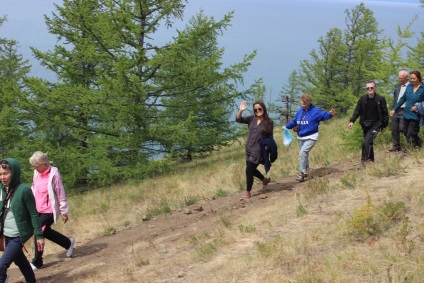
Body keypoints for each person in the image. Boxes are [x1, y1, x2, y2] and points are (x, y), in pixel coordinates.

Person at [0, 158, 44, 283]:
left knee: (1, 266)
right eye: (0, 174)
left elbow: (34, 214)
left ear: (14, 173)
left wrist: (39, 235)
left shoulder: (24, 190)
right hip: (6, 235)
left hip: (17, 235)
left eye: (6, 173)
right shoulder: (2, 189)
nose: (3, 177)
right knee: (21, 261)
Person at [29, 151, 75, 270]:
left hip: (49, 210)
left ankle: (37, 262)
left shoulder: (54, 175)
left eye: (36, 166)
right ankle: (68, 243)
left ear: (43, 164)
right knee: (45, 231)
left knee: (38, 232)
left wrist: (64, 211)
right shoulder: (36, 173)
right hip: (37, 209)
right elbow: (33, 188)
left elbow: (61, 193)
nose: (34, 168)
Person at [284, 94, 336, 182]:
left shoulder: (315, 111)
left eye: (304, 103)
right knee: (304, 155)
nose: (302, 104)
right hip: (301, 137)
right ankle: (307, 171)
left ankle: (302, 173)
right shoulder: (300, 111)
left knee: (302, 153)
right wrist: (286, 126)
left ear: (309, 102)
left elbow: (323, 115)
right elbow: (294, 121)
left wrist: (330, 114)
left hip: (311, 137)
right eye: (301, 102)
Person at [236, 101, 273, 199]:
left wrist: (267, 148)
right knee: (251, 169)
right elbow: (238, 119)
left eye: (259, 109)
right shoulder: (252, 119)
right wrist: (241, 110)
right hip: (249, 148)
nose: (258, 111)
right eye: (256, 109)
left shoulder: (268, 122)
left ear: (263, 109)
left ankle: (247, 192)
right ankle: (264, 179)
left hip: (259, 150)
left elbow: (270, 137)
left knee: (248, 170)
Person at [349, 81, 389, 169]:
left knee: (366, 142)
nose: (369, 90)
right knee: (368, 142)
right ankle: (371, 161)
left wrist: (384, 125)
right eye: (367, 88)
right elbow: (357, 111)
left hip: (376, 124)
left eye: (371, 88)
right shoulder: (363, 99)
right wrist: (352, 121)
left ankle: (364, 162)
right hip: (365, 124)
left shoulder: (380, 99)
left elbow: (385, 113)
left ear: (375, 88)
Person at [390, 70, 424, 149]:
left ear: (419, 78)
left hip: (416, 115)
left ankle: (409, 150)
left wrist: (418, 106)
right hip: (406, 114)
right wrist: (394, 109)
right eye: (411, 78)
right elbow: (403, 98)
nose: (412, 80)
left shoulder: (423, 88)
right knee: (405, 132)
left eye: (414, 79)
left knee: (410, 133)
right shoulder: (409, 87)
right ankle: (419, 144)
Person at [387, 70, 409, 152]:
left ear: (407, 77)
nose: (400, 80)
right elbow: (396, 98)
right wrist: (393, 108)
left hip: (405, 110)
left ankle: (411, 144)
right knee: (394, 128)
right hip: (396, 110)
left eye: (401, 78)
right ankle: (396, 146)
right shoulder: (398, 86)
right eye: (399, 78)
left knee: (402, 128)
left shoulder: (410, 86)